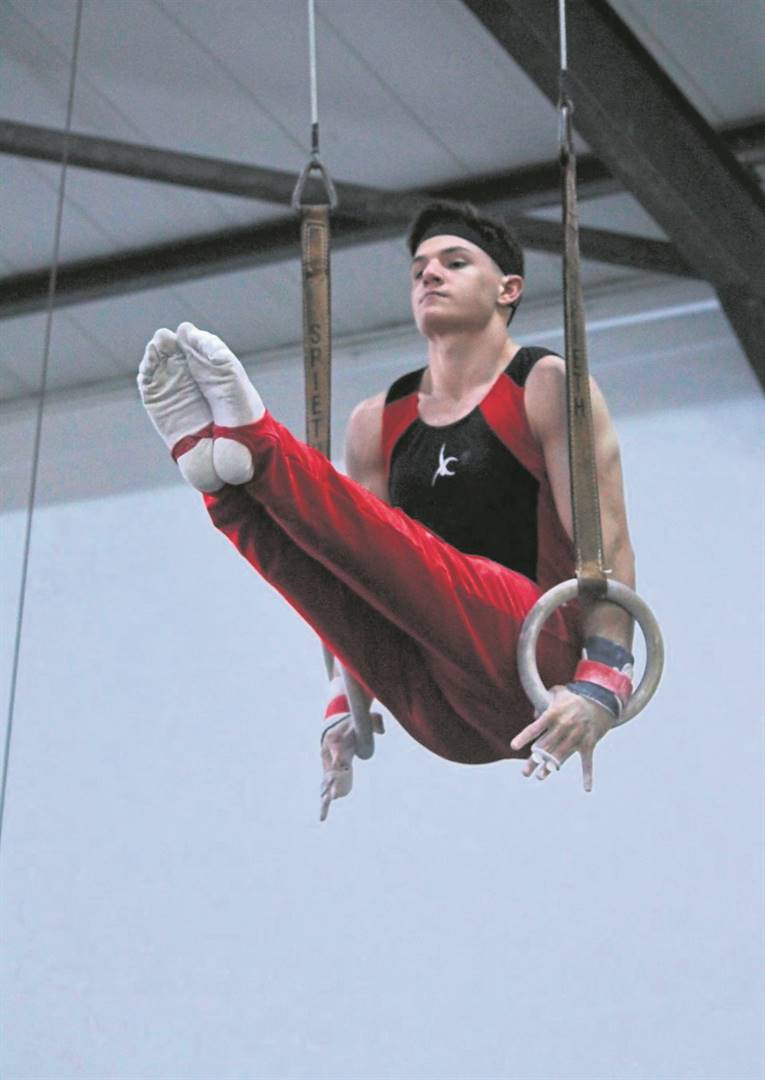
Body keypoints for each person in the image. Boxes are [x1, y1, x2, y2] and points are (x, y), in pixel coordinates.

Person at [138, 201, 636, 821]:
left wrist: (604, 682)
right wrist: (342, 702)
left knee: (420, 560)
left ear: (508, 289)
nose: (430, 274)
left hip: (533, 663)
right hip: (436, 716)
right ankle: (226, 489)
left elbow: (607, 542)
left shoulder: (544, 384)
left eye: (455, 262)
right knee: (337, 564)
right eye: (419, 268)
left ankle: (261, 447)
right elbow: (353, 565)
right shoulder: (377, 420)